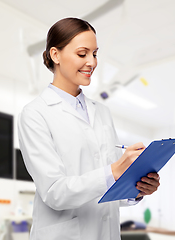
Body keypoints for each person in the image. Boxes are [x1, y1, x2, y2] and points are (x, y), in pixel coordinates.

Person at [18, 17, 161, 240]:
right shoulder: (35, 113)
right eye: (82, 54)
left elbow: (109, 190)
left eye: (94, 54)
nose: (92, 62)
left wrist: (138, 189)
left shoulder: (101, 113)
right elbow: (54, 192)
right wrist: (114, 170)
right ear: (55, 55)